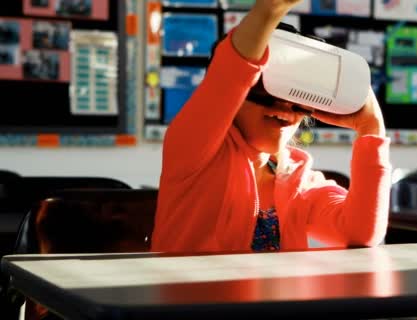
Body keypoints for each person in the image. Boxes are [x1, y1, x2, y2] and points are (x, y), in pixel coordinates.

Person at [151, 0, 392, 252]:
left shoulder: (299, 181)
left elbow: (360, 233)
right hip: (192, 292)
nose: (283, 108)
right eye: (265, 90)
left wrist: (371, 128)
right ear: (234, 95)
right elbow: (232, 69)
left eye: (298, 97)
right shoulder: (192, 150)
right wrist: (270, 9)